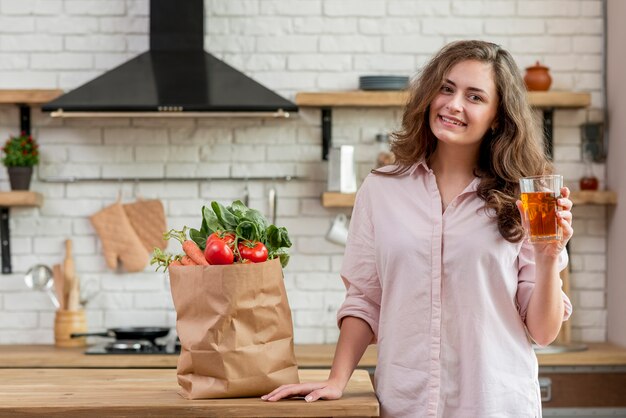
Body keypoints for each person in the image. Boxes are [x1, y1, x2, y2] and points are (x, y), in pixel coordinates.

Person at [262, 40, 574, 417]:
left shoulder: (524, 199)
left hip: (495, 404)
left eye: (474, 96)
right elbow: (365, 298)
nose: (453, 104)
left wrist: (547, 258)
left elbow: (542, 332)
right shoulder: (381, 189)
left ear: (497, 116)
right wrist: (336, 379)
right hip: (406, 403)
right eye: (446, 88)